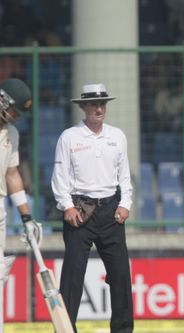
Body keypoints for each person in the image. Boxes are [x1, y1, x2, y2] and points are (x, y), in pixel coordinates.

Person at [51, 83, 134, 333]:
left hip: (110, 210)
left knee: (120, 276)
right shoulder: (69, 136)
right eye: (93, 104)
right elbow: (59, 176)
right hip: (80, 210)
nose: (99, 108)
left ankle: (123, 330)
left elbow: (125, 176)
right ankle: (65, 330)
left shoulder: (117, 136)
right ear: (83, 107)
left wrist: (125, 204)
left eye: (102, 104)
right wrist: (66, 206)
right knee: (73, 277)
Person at [0, 78, 40, 333]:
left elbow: (12, 173)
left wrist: (27, 218)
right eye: (15, 111)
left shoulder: (11, 133)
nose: (16, 117)